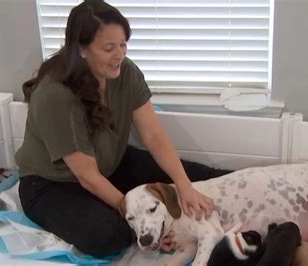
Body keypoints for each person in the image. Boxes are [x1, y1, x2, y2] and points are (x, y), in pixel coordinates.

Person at [16, 0, 230, 258]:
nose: (120, 54)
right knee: (110, 235)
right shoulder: (55, 96)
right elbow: (87, 176)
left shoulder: (125, 72)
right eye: (109, 48)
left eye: (123, 44)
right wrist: (141, 222)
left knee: (199, 177)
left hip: (110, 164)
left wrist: (184, 185)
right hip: (53, 185)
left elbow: (154, 136)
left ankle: (270, 191)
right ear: (82, 49)